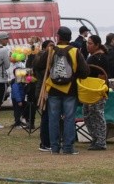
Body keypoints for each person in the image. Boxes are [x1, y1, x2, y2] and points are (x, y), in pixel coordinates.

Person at [43, 26, 89, 155]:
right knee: (69, 118)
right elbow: (85, 72)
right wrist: (74, 75)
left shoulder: (51, 50)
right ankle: (68, 147)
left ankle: (54, 147)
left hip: (53, 89)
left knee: (53, 119)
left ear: (58, 37)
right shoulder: (75, 51)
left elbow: (38, 65)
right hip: (70, 90)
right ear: (69, 38)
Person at [84, 34, 110, 151]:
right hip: (89, 92)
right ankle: (95, 138)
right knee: (88, 115)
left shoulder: (100, 58)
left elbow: (102, 76)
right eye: (87, 43)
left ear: (97, 45)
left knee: (97, 115)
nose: (87, 45)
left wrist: (98, 91)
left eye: (90, 43)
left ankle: (101, 141)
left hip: (97, 92)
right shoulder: (92, 57)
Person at [32, 39, 54, 152]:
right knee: (46, 116)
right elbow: (40, 71)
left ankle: (50, 141)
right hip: (43, 90)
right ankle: (45, 142)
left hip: (47, 90)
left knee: (49, 116)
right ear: (44, 48)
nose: (52, 48)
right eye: (50, 46)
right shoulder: (40, 58)